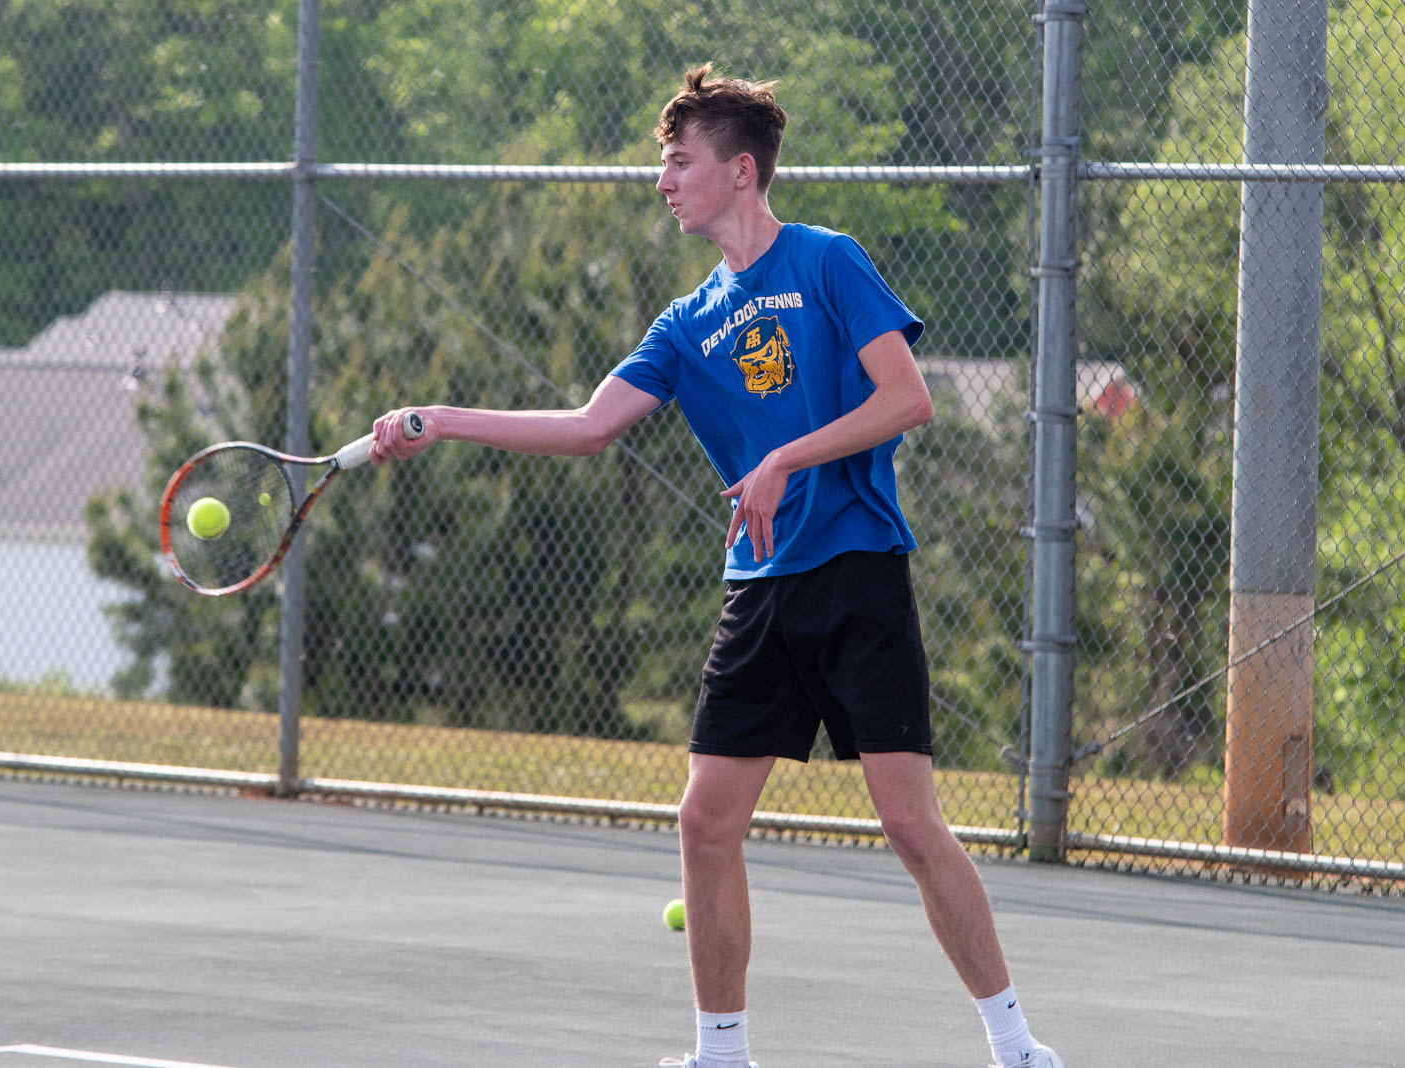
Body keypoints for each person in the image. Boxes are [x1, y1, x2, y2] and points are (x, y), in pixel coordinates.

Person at [369, 63, 1063, 1068]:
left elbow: (906, 399)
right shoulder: (684, 322)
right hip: (758, 589)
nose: (663, 181)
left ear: (740, 171)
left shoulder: (828, 261)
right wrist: (440, 420)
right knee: (704, 821)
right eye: (663, 164)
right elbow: (587, 426)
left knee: (911, 826)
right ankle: (721, 1055)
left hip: (857, 572)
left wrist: (784, 458)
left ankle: (1016, 1046)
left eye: (679, 161)